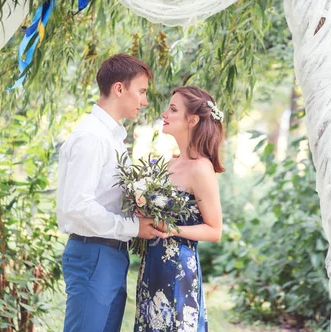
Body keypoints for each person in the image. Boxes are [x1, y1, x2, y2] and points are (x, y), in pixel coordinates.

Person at [57, 54, 166, 332]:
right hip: (93, 251)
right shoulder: (92, 137)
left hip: (112, 254)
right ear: (119, 88)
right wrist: (132, 227)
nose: (145, 101)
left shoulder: (112, 137)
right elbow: (78, 206)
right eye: (141, 91)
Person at [134, 86, 224, 332]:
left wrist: (172, 229)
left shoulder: (201, 169)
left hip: (178, 269)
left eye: (173, 109)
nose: (164, 114)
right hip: (152, 264)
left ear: (192, 120)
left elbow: (215, 230)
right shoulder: (170, 162)